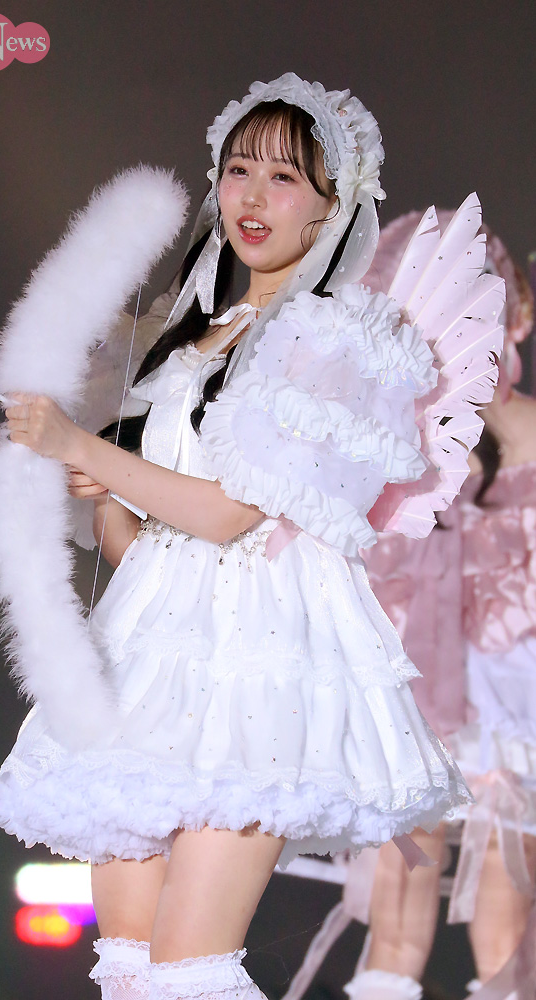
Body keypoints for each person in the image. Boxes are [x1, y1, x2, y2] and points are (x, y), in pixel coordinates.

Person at [0, 75, 478, 1000]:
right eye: (238, 169)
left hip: (260, 670)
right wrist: (105, 493)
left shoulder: (339, 338)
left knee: (188, 969)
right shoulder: (190, 341)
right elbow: (150, 554)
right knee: (129, 969)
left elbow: (229, 515)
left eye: (283, 177)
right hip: (153, 660)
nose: (251, 195)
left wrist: (82, 446)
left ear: (332, 203)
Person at [342, 216, 536, 1000]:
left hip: (483, 685)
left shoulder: (406, 437)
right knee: (445, 887)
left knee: (466, 890)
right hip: (444, 676)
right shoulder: (402, 441)